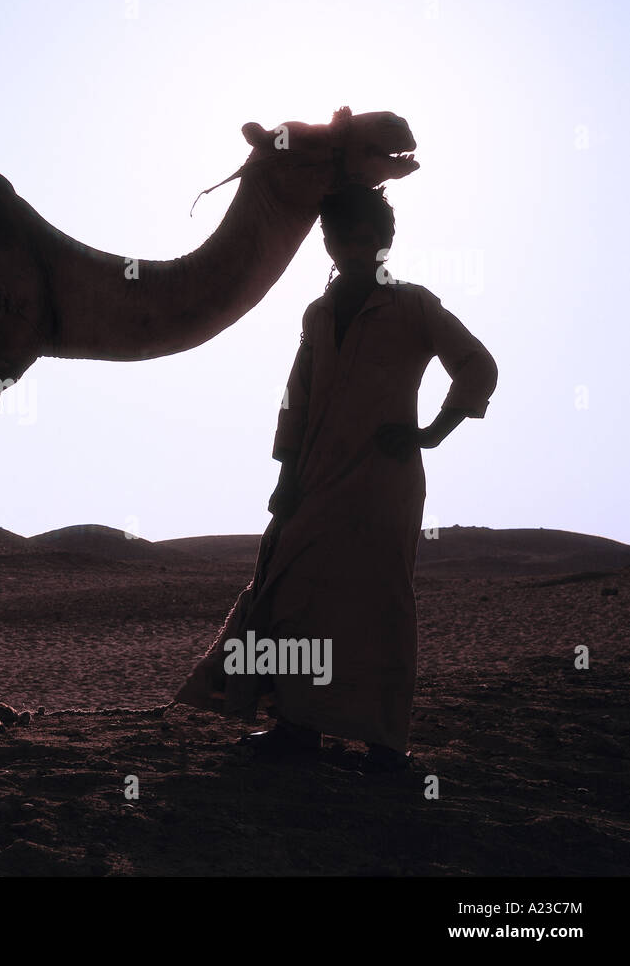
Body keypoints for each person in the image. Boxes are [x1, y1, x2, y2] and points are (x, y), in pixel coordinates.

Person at [172, 183, 497, 772]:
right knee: (295, 596)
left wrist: (432, 432)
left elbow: (478, 366)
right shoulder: (318, 314)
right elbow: (296, 399)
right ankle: (297, 727)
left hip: (383, 483)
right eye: (338, 238)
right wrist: (286, 475)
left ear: (385, 241)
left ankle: (384, 743)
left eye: (364, 237)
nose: (351, 248)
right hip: (314, 481)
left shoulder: (415, 306)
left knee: (379, 603)